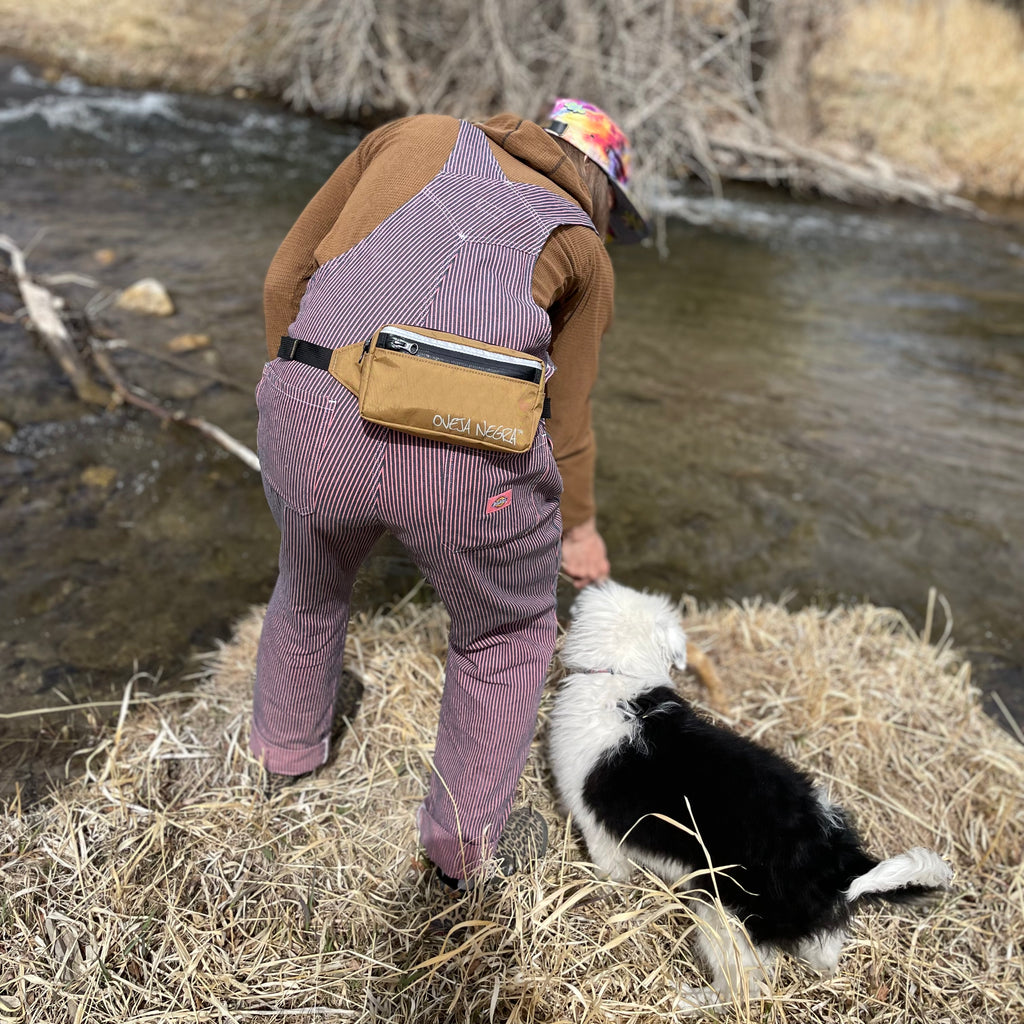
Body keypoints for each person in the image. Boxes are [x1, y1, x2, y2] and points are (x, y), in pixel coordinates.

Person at [253, 98, 648, 888]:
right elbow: (566, 422)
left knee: (310, 584)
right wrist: (580, 532)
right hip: (465, 458)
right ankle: (456, 855)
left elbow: (284, 279)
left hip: (307, 401)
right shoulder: (584, 251)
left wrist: (292, 397)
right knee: (507, 637)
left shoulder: (414, 134)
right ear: (604, 191)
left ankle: (283, 761)